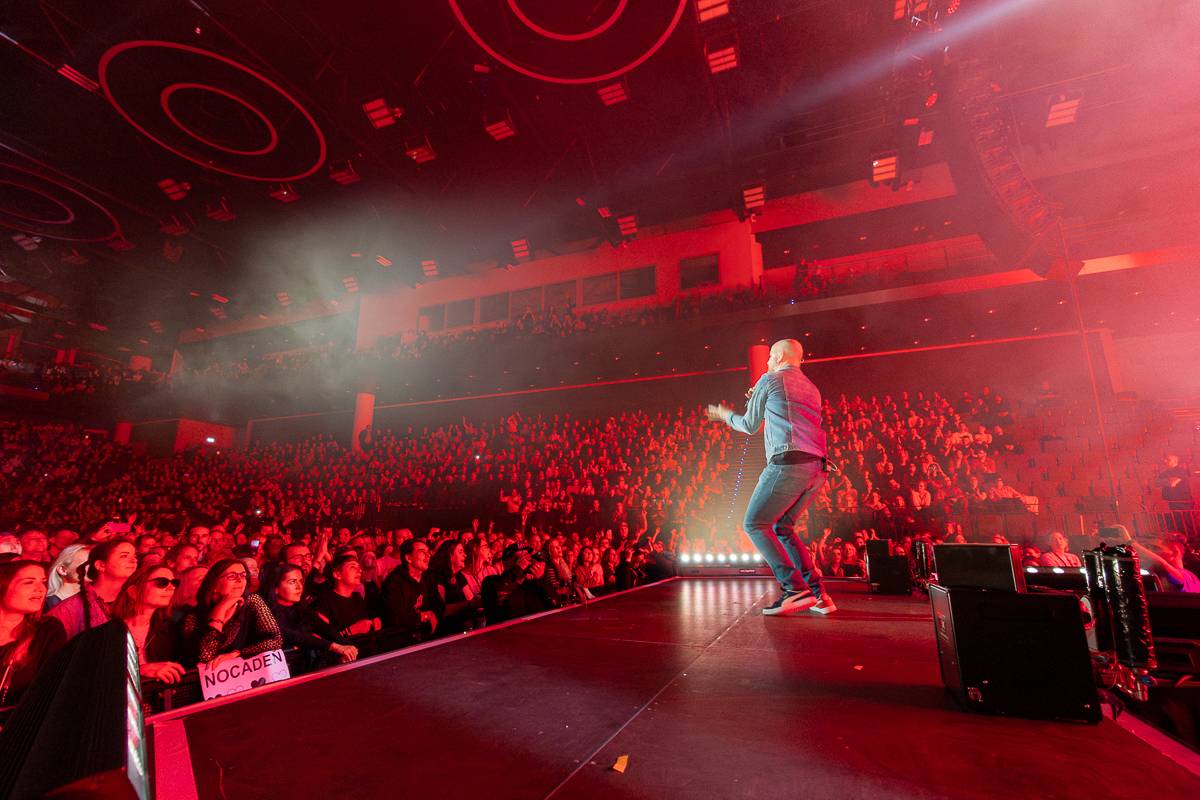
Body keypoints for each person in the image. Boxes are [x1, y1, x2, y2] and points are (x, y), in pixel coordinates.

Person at [707, 338, 835, 615]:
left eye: (768, 359)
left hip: (788, 463)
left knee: (754, 524)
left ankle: (795, 589)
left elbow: (749, 425)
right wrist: (762, 397)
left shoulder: (769, 378)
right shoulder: (812, 388)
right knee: (783, 528)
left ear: (777, 356)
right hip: (816, 468)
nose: (766, 364)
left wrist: (725, 415)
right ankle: (818, 594)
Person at [180, 558, 282, 669]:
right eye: (232, 576)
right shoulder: (193, 617)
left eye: (243, 575)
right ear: (214, 584)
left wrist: (237, 654)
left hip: (247, 676)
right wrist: (220, 611)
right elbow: (205, 657)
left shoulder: (253, 601)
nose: (239, 580)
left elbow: (275, 640)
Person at [0, 561, 67, 707]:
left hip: (18, 724)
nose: (41, 589)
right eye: (28, 582)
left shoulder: (47, 630)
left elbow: (50, 690)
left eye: (43, 582)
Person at [268, 565, 358, 669]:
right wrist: (334, 646)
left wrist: (348, 649)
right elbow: (295, 637)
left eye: (301, 581)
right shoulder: (265, 613)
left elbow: (325, 629)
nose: (299, 587)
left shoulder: (303, 610)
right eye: (292, 582)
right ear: (276, 588)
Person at [48, 538, 138, 639]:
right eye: (124, 556)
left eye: (134, 556)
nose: (133, 560)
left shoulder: (137, 602)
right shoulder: (69, 610)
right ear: (100, 565)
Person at [111, 564, 186, 684]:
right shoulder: (108, 630)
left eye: (174, 583)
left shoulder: (168, 629)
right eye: (162, 582)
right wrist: (140, 670)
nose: (171, 587)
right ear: (133, 591)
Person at [381, 539, 441, 643]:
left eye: (428, 552)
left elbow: (438, 604)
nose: (428, 556)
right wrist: (423, 616)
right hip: (401, 641)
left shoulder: (428, 577)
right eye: (422, 552)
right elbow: (394, 616)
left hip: (426, 636)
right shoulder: (393, 581)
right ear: (408, 558)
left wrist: (434, 613)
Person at [44, 543, 91, 611]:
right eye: (85, 563)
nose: (92, 567)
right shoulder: (51, 604)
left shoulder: (94, 600)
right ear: (62, 570)